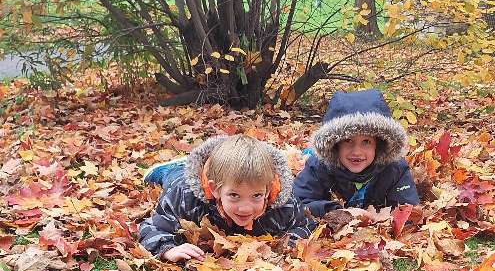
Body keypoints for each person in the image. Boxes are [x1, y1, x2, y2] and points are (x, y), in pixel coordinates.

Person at [139, 135, 314, 260]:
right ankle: (170, 168)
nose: (245, 208)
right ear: (214, 189)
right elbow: (152, 226)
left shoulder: (284, 205)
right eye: (234, 195)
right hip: (181, 177)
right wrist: (168, 249)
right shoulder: (186, 197)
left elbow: (304, 225)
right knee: (172, 176)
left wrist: (287, 243)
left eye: (256, 195)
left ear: (268, 190)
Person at [292, 88, 420, 218]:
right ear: (335, 144)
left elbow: (408, 211)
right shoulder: (318, 167)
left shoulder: (395, 169)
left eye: (366, 141)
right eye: (348, 141)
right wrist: (337, 212)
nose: (357, 152)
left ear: (379, 144)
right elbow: (297, 205)